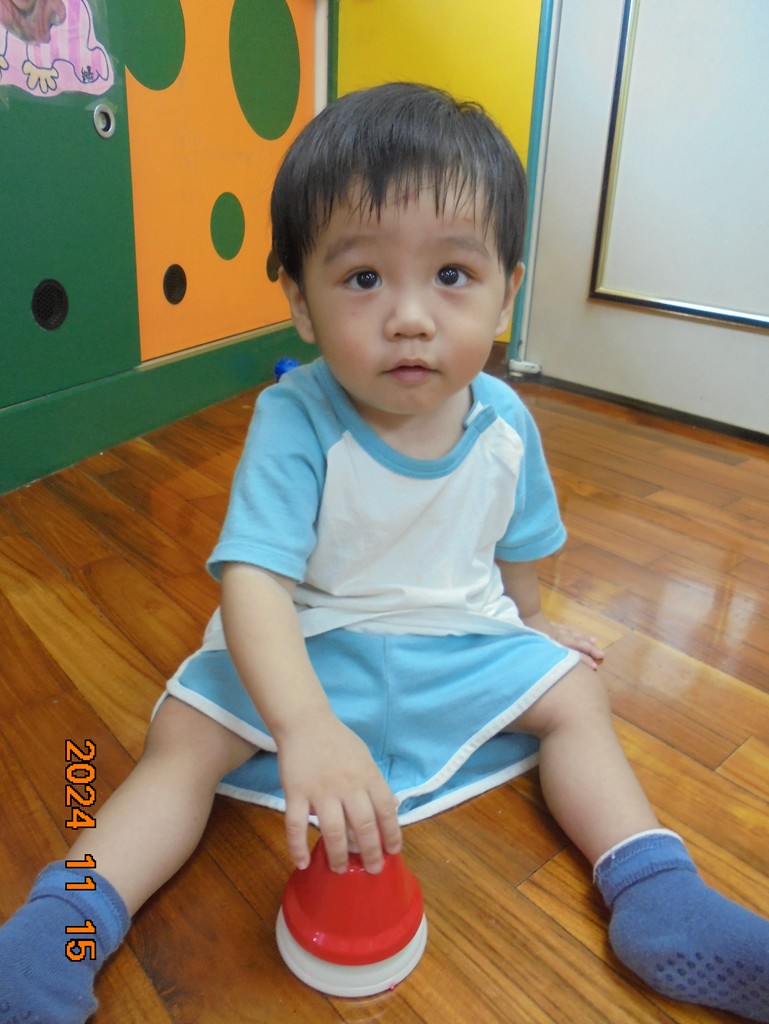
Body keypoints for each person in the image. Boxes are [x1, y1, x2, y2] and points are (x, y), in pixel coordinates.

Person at [1, 82, 768, 1024]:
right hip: (303, 649)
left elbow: (519, 547)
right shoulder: (295, 415)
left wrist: (533, 628)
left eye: (451, 274)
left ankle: (656, 894)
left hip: (456, 642)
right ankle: (62, 928)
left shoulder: (506, 421)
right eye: (363, 279)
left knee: (577, 695)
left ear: (506, 292)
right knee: (181, 743)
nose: (409, 316)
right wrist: (304, 727)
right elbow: (253, 582)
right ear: (300, 300)